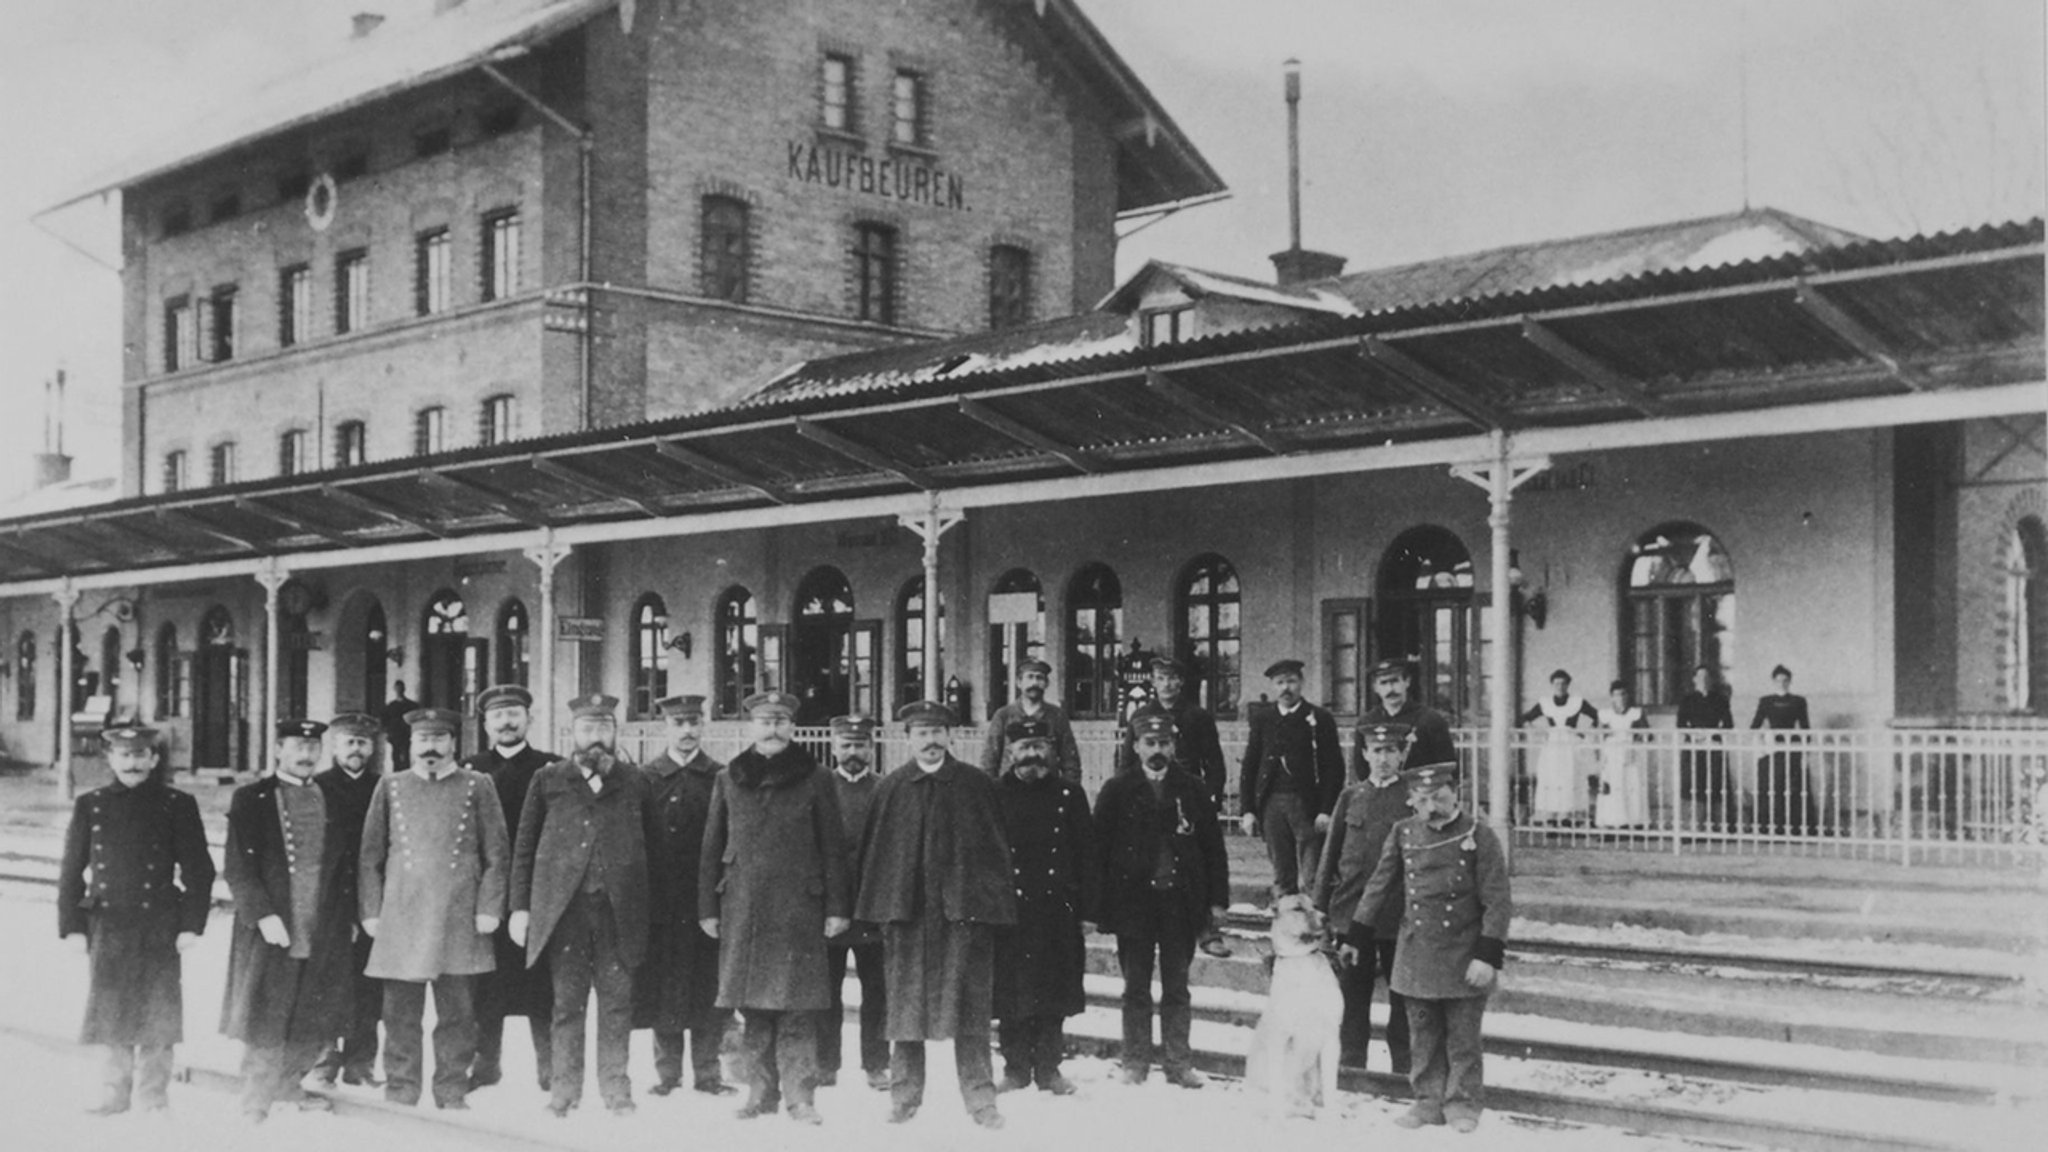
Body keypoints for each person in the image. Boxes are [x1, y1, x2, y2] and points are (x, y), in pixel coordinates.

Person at [855, 700, 1017, 1129]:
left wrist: (989, 910)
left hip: (963, 920)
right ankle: (905, 1097)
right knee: (905, 1010)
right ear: (909, 738)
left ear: (951, 736)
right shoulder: (890, 789)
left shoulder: (975, 786)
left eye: (937, 732)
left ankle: (981, 1100)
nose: (930, 741)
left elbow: (996, 852)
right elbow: (876, 855)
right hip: (908, 921)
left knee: (971, 1011)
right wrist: (880, 912)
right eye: (921, 733)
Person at [699, 690, 852, 1126]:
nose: (773, 729)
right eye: (765, 721)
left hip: (799, 908)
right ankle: (760, 1094)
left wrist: (837, 907)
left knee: (798, 1009)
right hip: (744, 908)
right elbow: (712, 848)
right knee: (754, 1008)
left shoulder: (817, 777)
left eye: (781, 721)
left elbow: (833, 847)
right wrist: (707, 908)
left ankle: (800, 1098)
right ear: (752, 726)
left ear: (792, 727)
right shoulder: (729, 777)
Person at [1341, 758, 1511, 1134]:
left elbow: (1497, 900)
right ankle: (1427, 1102)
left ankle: (1463, 1104)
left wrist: (1487, 955)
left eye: (1439, 797)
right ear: (1411, 801)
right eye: (1421, 799)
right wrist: (1357, 934)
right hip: (1417, 951)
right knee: (1423, 1035)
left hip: (1465, 953)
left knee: (1463, 1038)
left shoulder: (1479, 834)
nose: (1431, 808)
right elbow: (1379, 885)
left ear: (1455, 794)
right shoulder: (1403, 832)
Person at [58, 725, 216, 1116]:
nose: (132, 763)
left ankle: (153, 1096)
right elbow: (70, 871)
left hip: (158, 924)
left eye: (141, 755)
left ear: (154, 759)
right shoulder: (90, 805)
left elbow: (200, 870)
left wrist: (190, 924)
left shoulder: (176, 804)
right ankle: (114, 1093)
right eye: (124, 755)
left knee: (159, 1012)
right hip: (107, 922)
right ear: (110, 758)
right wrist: (73, 926)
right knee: (110, 1010)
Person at [510, 693, 654, 1118]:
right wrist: (521, 907)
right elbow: (524, 847)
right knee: (566, 1004)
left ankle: (616, 1090)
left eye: (604, 729)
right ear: (572, 733)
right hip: (565, 914)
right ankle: (564, 1091)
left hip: (618, 913)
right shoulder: (548, 779)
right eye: (588, 729)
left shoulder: (635, 781)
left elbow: (655, 853)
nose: (596, 739)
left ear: (615, 734)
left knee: (616, 1004)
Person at [359, 707, 510, 1110]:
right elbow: (369, 856)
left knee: (458, 1015)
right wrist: (372, 910)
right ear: (411, 745)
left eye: (439, 739)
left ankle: (451, 1091)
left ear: (453, 744)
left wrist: (489, 906)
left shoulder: (478, 785)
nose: (430, 748)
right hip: (402, 918)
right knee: (399, 1015)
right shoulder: (391, 787)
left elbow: (498, 855)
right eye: (423, 740)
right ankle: (401, 1091)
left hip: (459, 917)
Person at [220, 720, 360, 1122]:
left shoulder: (332, 796)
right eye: (298, 746)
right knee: (267, 1012)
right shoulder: (253, 798)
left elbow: (346, 866)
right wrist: (262, 914)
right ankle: (255, 1099)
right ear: (279, 748)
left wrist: (347, 917)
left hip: (324, 923)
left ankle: (290, 1083)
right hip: (274, 926)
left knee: (318, 1010)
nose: (306, 755)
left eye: (314, 747)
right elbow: (238, 867)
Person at [1096, 712, 1228, 1089]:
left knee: (1177, 987)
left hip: (1179, 904)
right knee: (1135, 986)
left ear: (1174, 746)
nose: (1158, 750)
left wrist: (1217, 899)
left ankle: (1177, 1062)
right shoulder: (1117, 789)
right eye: (1150, 743)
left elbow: (1212, 848)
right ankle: (1135, 1061)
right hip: (1133, 904)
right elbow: (1099, 850)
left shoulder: (1193, 788)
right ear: (1135, 746)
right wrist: (1099, 906)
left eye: (1164, 744)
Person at [635, 693, 734, 1097]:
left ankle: (708, 1074)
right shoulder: (646, 778)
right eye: (679, 723)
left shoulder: (721, 777)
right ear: (666, 728)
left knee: (707, 985)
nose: (688, 731)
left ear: (704, 726)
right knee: (665, 986)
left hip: (707, 902)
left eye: (694, 722)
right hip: (661, 904)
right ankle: (667, 1074)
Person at [992, 715, 1097, 1097]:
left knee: (1054, 991)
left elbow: (1088, 854)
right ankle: (1015, 1068)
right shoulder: (994, 793)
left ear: (1051, 750)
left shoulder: (1070, 794)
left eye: (1039, 747)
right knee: (1010, 992)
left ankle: (1050, 1069)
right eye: (1024, 747)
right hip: (1010, 910)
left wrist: (1087, 910)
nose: (1031, 755)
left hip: (1057, 910)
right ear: (1010, 751)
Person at [465, 684, 557, 1094]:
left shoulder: (551, 768)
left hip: (538, 891)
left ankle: (550, 1069)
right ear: (486, 723)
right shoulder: (470, 770)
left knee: (542, 981)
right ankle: (486, 1066)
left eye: (514, 713)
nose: (506, 721)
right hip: (485, 893)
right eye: (498, 715)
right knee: (485, 982)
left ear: (528, 720)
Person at [1311, 721, 1411, 1074]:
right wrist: (1319, 907)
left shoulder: (1413, 797)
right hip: (1351, 914)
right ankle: (1352, 1067)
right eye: (1376, 751)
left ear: (1402, 755)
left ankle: (1404, 1069)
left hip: (1399, 915)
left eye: (1391, 751)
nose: (1383, 758)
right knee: (1353, 998)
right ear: (1365, 754)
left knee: (1403, 999)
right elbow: (1330, 854)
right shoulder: (1351, 796)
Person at [310, 712, 386, 1089]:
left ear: (372, 747)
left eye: (363, 742)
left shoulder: (383, 787)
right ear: (335, 747)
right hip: (330, 902)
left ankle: (362, 1062)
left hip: (372, 900)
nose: (356, 750)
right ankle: (324, 1060)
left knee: (369, 985)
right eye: (349, 742)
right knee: (327, 980)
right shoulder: (317, 787)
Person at [819, 713, 890, 1091]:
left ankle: (877, 1064)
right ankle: (826, 1063)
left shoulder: (884, 789)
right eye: (845, 745)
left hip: (871, 910)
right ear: (833, 747)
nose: (853, 752)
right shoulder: (819, 788)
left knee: (877, 991)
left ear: (871, 748)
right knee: (826, 990)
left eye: (860, 745)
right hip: (829, 910)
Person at [1238, 658, 1344, 897]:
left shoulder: (1319, 718)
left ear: (1301, 683)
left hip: (1306, 804)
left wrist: (1326, 809)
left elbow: (1333, 768)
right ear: (1273, 686)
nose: (1286, 688)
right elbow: (1250, 765)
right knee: (1281, 871)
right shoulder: (1263, 719)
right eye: (1280, 682)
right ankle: (1287, 925)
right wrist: (1248, 810)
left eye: (1291, 681)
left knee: (1313, 873)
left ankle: (1316, 924)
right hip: (1271, 804)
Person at [1117, 656, 1228, 803]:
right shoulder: (1141, 716)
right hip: (1148, 793)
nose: (1166, 684)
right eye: (1161, 678)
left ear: (1181, 681)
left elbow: (1214, 762)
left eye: (1171, 678)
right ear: (1153, 682)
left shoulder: (1198, 717)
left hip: (1187, 792)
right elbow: (1127, 760)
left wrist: (1210, 795)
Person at [979, 657, 1082, 782]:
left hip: (1047, 791)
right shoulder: (1003, 715)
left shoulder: (1057, 716)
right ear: (1019, 682)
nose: (1034, 682)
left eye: (1039, 678)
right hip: (1010, 791)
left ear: (1046, 683)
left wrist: (1068, 793)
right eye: (1030, 677)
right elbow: (989, 760)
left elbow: (1070, 761)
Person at [1520, 670, 1598, 824]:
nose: (1560, 687)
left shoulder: (1577, 701)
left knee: (1569, 777)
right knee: (1552, 778)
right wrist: (1538, 732)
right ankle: (1552, 817)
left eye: (1563, 683)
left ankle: (1567, 816)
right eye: (1556, 684)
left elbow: (1596, 716)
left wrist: (1585, 734)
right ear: (1552, 685)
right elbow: (1525, 717)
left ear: (1568, 685)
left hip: (1570, 744)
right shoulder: (1545, 703)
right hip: (1553, 745)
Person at [1751, 664, 1817, 836]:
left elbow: (1805, 727)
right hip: (1772, 748)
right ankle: (1770, 829)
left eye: (1785, 680)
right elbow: (1754, 726)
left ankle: (1797, 829)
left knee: (1795, 788)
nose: (1782, 683)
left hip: (1792, 747)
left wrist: (1804, 751)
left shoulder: (1798, 701)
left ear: (1790, 681)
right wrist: (1765, 739)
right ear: (1773, 681)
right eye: (1778, 680)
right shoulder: (1765, 701)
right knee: (1772, 787)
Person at [1360, 657, 1457, 771]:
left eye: (1395, 681)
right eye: (1384, 683)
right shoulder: (1367, 723)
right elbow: (1362, 770)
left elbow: (1446, 767)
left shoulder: (1430, 720)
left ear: (1407, 682)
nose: (1390, 689)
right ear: (1375, 687)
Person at [1676, 665, 1734, 831]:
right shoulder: (1687, 700)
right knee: (1694, 785)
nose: (1704, 681)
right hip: (1694, 747)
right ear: (1694, 679)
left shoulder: (1720, 699)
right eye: (1700, 677)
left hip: (1714, 746)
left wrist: (1711, 735)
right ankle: (1695, 826)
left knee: (1717, 785)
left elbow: (1728, 724)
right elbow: (1681, 724)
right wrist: (1695, 736)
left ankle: (1720, 826)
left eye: (1707, 677)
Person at [1594, 680, 1650, 829]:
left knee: (1632, 787)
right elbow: (1599, 738)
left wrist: (1635, 743)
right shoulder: (1604, 715)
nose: (1620, 698)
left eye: (1623, 694)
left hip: (1631, 756)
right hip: (1611, 757)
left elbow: (1647, 735)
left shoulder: (1636, 714)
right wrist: (1600, 758)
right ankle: (1613, 823)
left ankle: (1635, 822)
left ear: (1628, 696)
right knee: (1613, 790)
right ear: (1611, 697)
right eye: (1616, 695)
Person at [380, 680, 418, 772]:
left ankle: (406, 772)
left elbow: (414, 718)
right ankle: (396, 772)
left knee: (406, 754)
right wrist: (387, 731)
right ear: (394, 689)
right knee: (395, 755)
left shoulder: (411, 705)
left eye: (400, 688)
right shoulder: (391, 706)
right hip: (395, 734)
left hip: (406, 733)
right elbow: (384, 720)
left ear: (404, 689)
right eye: (397, 688)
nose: (399, 690)